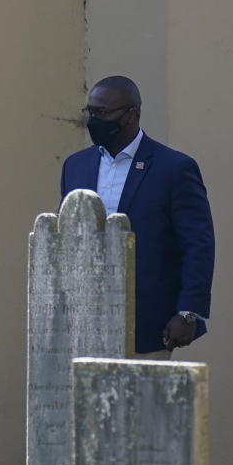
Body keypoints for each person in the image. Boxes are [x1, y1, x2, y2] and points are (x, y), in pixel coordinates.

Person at [60, 76, 215, 358]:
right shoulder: (75, 166)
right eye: (90, 112)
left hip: (147, 323)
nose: (94, 119)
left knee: (142, 403)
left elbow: (198, 245)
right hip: (84, 322)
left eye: (103, 113)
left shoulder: (173, 168)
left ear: (132, 114)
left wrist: (188, 312)